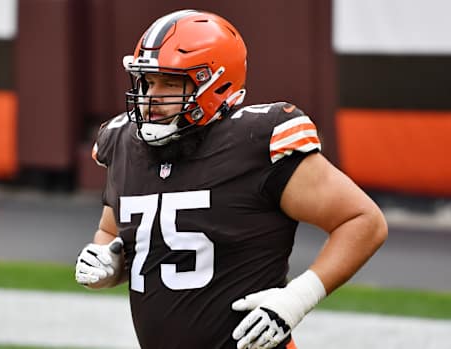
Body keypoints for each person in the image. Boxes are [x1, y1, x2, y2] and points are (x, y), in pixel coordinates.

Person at [75, 9, 387, 349]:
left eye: (170, 83)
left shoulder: (254, 141)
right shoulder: (124, 141)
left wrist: (297, 298)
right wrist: (108, 266)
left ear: (216, 83)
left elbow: (363, 221)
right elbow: (113, 233)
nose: (151, 98)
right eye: (148, 82)